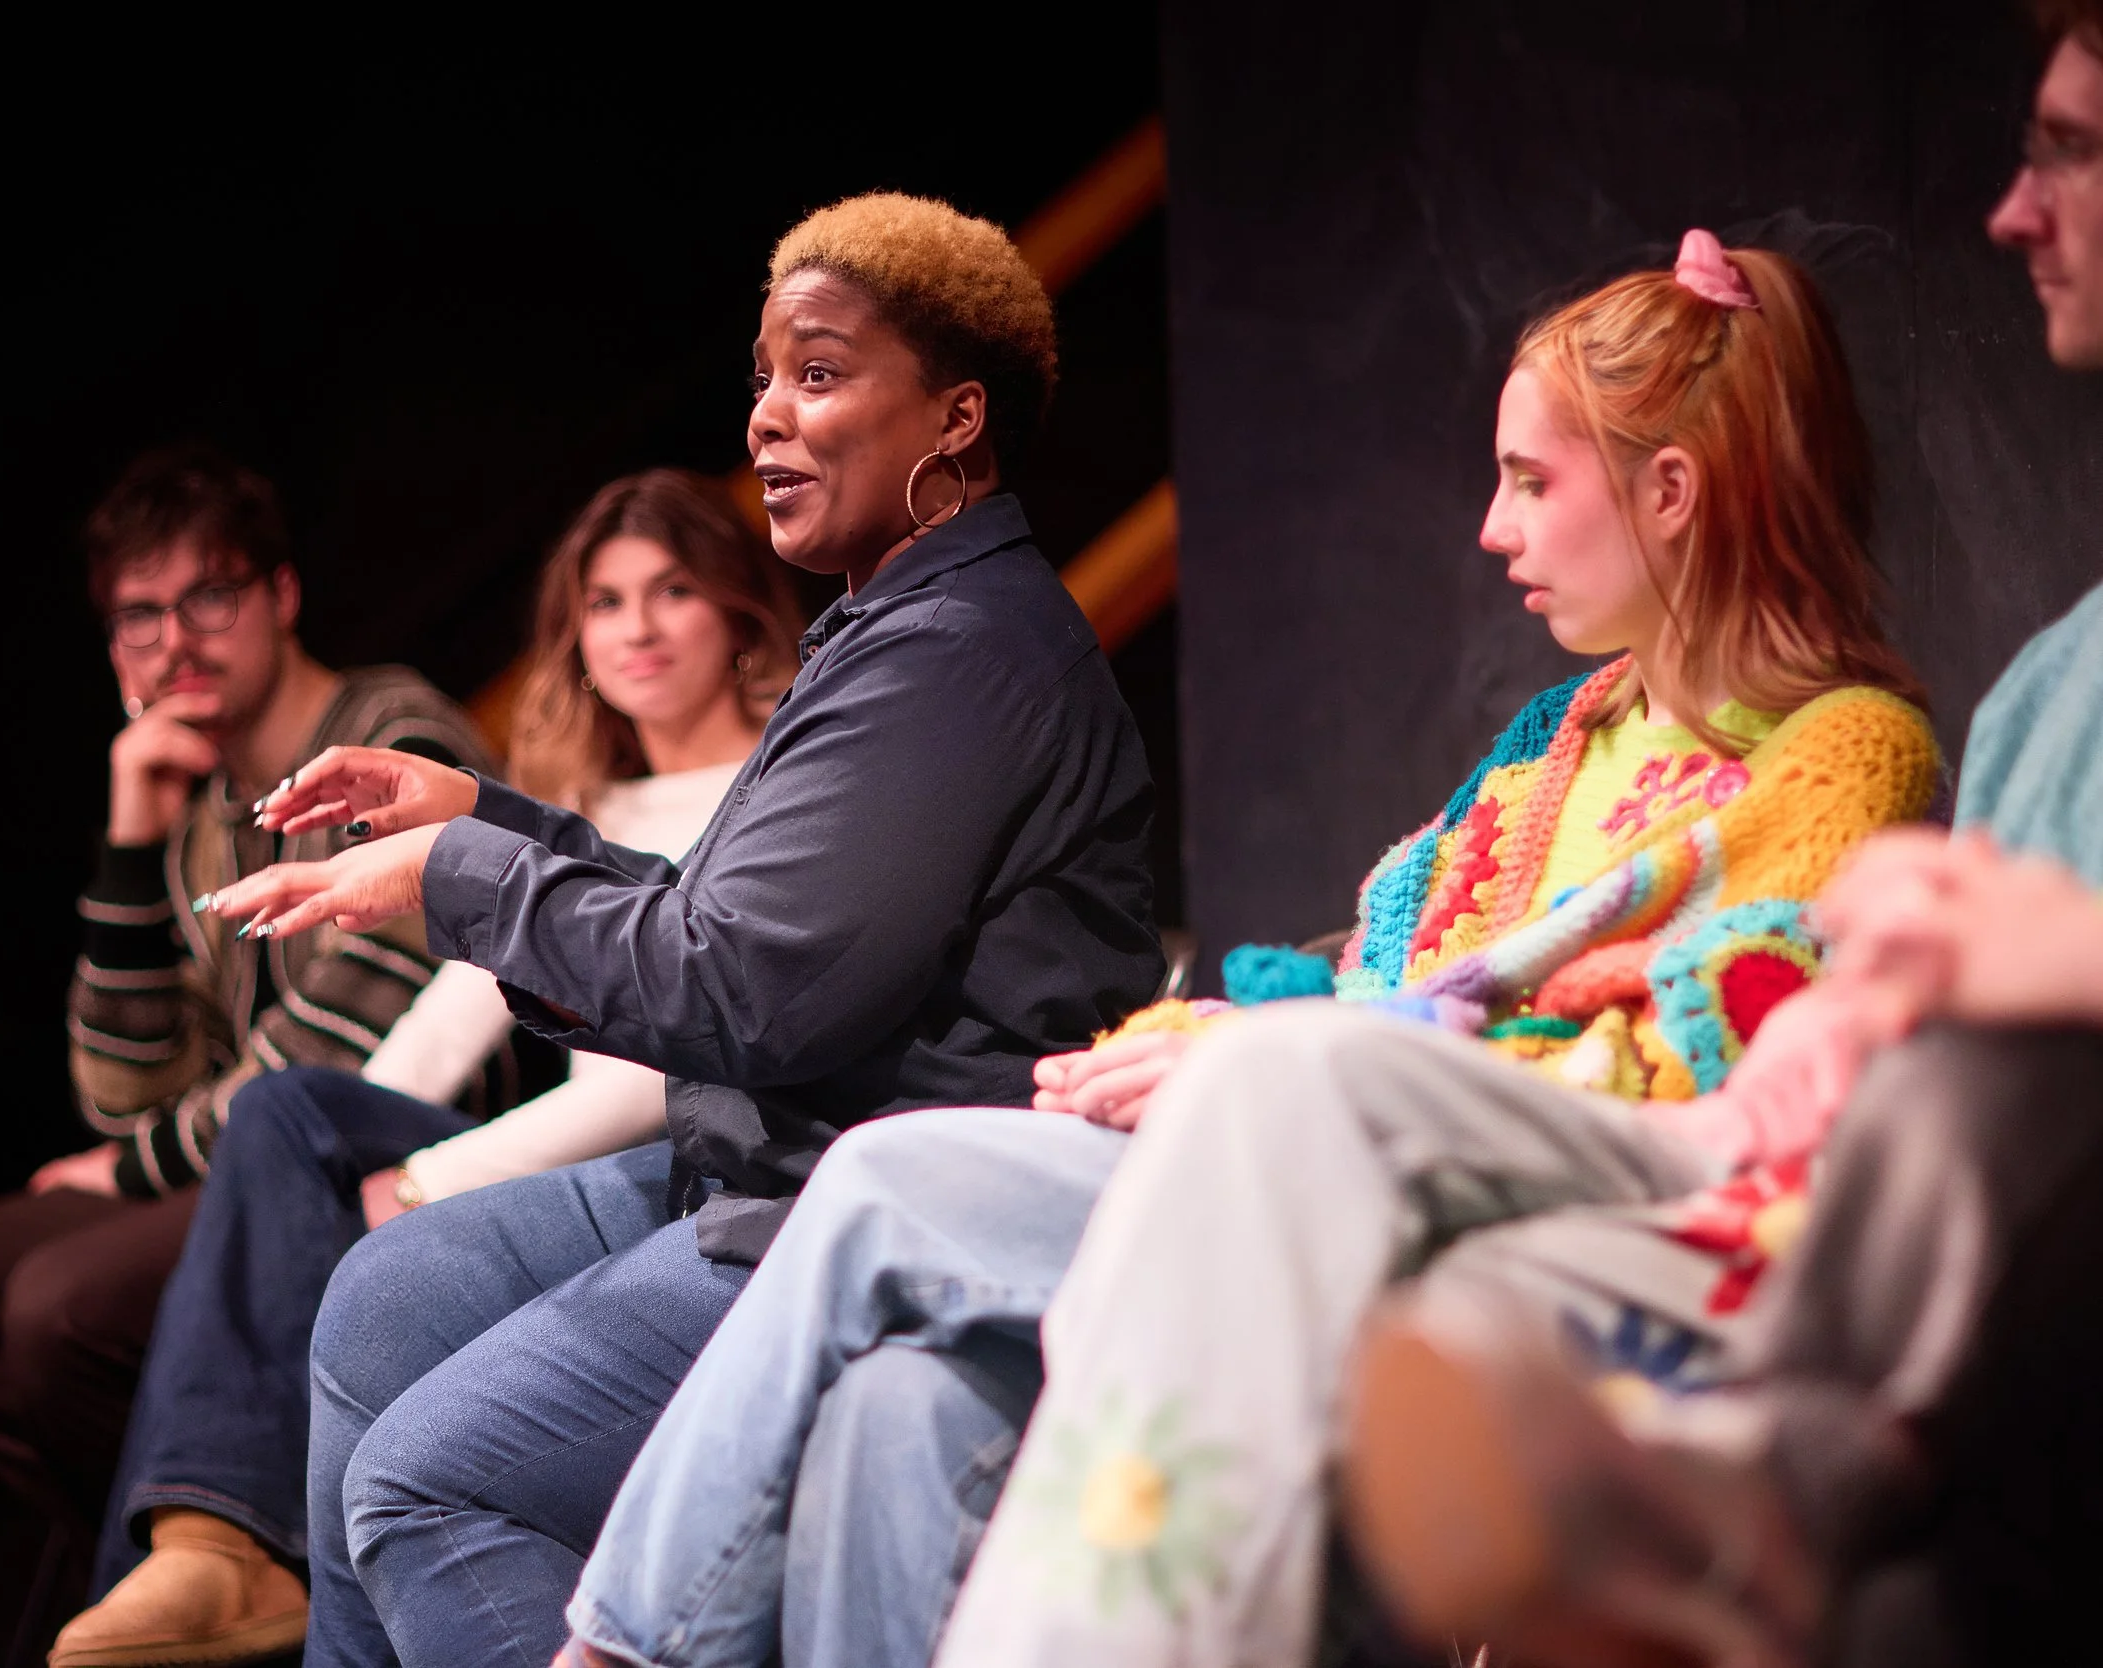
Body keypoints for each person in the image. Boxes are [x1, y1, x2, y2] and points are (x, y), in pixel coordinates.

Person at [563, 234, 1944, 1668]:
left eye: (1533, 481)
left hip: (1463, 1203)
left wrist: (1297, 1056)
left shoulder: (1845, 753)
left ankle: (608, 1653)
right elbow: (1391, 977)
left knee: (873, 1197)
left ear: (1672, 492)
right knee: (889, 1331)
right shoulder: (1560, 737)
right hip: (1320, 1135)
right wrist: (1213, 1039)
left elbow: (1687, 1065)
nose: (1492, 526)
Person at [201, 192, 1163, 1668]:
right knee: (383, 1300)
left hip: (836, 1216)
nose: (771, 419)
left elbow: (744, 991)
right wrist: (482, 815)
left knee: (428, 1486)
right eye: (765, 378)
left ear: (958, 419)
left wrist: (457, 872)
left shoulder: (959, 657)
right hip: (743, 1163)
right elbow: (715, 918)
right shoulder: (887, 628)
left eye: (823, 376)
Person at [1343, 9, 2103, 1665]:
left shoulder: (1850, 744)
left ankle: (1755, 1474)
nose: (2012, 210)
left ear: (1672, 492)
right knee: (921, 1257)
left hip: (1711, 1175)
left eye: (2071, 149)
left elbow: (1714, 1016)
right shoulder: (2057, 681)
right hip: (1792, 1179)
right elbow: (1429, 945)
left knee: (1988, 1082)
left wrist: (2012, 964)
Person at [47, 469, 802, 1668]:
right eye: (606, 603)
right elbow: (449, 1019)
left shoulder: (770, 787)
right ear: (577, 636)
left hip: (649, 1158)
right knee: (286, 1123)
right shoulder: (585, 800)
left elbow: (650, 1076)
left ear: (739, 618)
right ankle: (204, 1550)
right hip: (529, 1146)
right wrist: (358, 1150)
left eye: (673, 593)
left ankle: (210, 1557)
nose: (640, 628)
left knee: (270, 1180)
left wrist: (427, 1183)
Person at [0, 446, 492, 1550]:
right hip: (232, 1160)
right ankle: (200, 1536)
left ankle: (229, 1542)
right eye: (139, 617)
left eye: (208, 597)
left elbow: (338, 1048)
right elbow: (121, 1093)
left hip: (385, 1156)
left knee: (57, 1311)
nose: (176, 643)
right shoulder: (200, 814)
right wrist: (133, 836)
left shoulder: (394, 737)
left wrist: (134, 1167)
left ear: (281, 596)